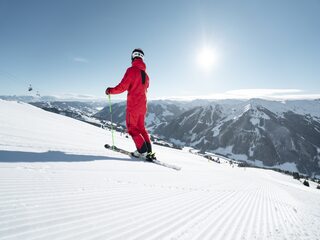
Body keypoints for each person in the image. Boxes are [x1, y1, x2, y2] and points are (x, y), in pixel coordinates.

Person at [105, 48, 155, 161]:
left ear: (133, 57)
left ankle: (142, 151)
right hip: (143, 106)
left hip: (134, 106)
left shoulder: (131, 70)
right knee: (141, 128)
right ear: (142, 58)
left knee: (132, 128)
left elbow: (123, 86)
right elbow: (145, 88)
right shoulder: (146, 76)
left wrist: (110, 91)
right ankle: (149, 151)